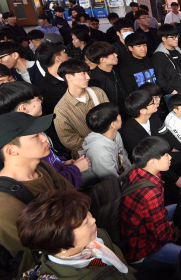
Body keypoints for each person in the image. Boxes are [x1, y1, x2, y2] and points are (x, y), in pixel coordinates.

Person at [0, 112, 76, 258]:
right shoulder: (5, 205)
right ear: (11, 150)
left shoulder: (42, 167)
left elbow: (74, 198)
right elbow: (34, 256)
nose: (45, 138)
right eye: (35, 136)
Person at [17, 190, 134, 279]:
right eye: (85, 222)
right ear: (60, 242)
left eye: (88, 214)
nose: (93, 220)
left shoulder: (97, 236)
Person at [0, 82, 86, 189]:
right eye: (38, 98)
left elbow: (48, 163)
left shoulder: (37, 126)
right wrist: (75, 169)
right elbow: (53, 186)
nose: (41, 101)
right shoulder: (21, 144)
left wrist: (61, 163)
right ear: (24, 108)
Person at [120, 137, 181, 269]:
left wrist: (166, 222)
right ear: (152, 161)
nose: (170, 157)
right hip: (141, 249)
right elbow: (162, 235)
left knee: (180, 207)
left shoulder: (137, 169)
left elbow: (156, 215)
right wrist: (175, 233)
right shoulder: (149, 193)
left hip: (141, 228)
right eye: (165, 155)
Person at [122, 90, 181, 203]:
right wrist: (175, 179)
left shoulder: (153, 117)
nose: (156, 103)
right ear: (142, 110)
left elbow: (167, 135)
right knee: (169, 184)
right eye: (152, 103)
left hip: (160, 155)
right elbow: (148, 160)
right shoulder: (130, 131)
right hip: (147, 166)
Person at [54, 59, 109, 154]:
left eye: (87, 73)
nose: (88, 77)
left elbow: (110, 115)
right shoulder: (61, 110)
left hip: (112, 143)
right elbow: (69, 140)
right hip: (89, 154)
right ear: (69, 77)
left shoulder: (97, 92)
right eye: (83, 73)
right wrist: (98, 143)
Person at [83, 103, 131, 183]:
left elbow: (122, 156)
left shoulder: (115, 134)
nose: (120, 115)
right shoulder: (100, 154)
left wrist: (130, 173)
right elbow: (112, 181)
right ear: (113, 124)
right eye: (118, 115)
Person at [153, 24, 181, 107]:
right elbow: (160, 79)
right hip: (173, 94)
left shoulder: (178, 49)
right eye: (173, 37)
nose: (176, 39)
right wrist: (173, 91)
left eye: (177, 36)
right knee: (178, 118)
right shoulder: (159, 55)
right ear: (164, 38)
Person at [86, 41, 128, 115]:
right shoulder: (95, 80)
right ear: (102, 60)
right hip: (113, 116)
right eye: (112, 54)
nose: (116, 55)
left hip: (126, 111)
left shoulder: (114, 70)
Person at [36, 42, 69, 115]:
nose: (66, 55)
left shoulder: (73, 74)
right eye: (63, 52)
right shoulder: (43, 89)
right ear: (58, 58)